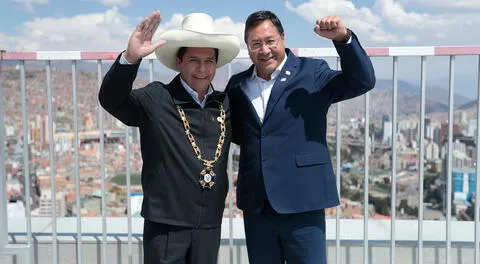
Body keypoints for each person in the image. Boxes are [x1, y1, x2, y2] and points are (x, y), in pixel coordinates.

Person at [226, 10, 376, 264]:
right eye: (256, 44)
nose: (264, 50)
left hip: (303, 200)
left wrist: (343, 39)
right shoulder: (237, 85)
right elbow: (242, 135)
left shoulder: (311, 72)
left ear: (283, 38)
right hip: (257, 205)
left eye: (270, 41)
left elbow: (362, 80)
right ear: (248, 48)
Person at [99, 11, 240, 264]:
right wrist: (130, 58)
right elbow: (111, 99)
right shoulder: (156, 97)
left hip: (209, 222)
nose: (202, 68)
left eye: (209, 61)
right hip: (166, 224)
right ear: (179, 61)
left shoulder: (225, 103)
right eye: (194, 60)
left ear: (216, 64)